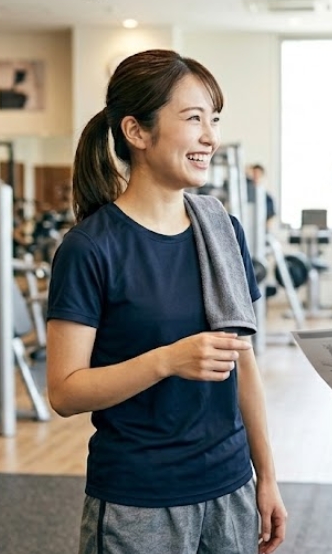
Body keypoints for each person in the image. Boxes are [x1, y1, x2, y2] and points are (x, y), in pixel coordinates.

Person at [45, 49, 286, 554]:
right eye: (193, 118)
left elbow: (244, 363)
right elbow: (66, 392)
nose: (210, 138)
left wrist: (266, 475)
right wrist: (168, 360)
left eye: (213, 120)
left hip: (230, 486)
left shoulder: (222, 230)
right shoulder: (91, 248)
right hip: (140, 501)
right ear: (136, 131)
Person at [245, 163, 277, 231]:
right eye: (254, 173)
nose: (256, 176)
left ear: (262, 176)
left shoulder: (268, 199)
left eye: (258, 174)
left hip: (259, 231)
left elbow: (269, 221)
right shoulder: (244, 190)